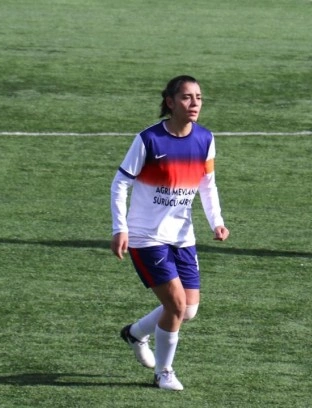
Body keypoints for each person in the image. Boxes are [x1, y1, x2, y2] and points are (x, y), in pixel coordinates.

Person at [110, 75, 230, 390]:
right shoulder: (149, 139)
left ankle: (135, 333)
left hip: (182, 236)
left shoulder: (205, 139)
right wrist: (120, 228)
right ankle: (163, 372)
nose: (194, 103)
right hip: (146, 236)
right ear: (170, 102)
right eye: (187, 97)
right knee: (175, 305)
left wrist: (216, 221)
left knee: (188, 309)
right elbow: (120, 183)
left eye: (198, 97)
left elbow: (207, 185)